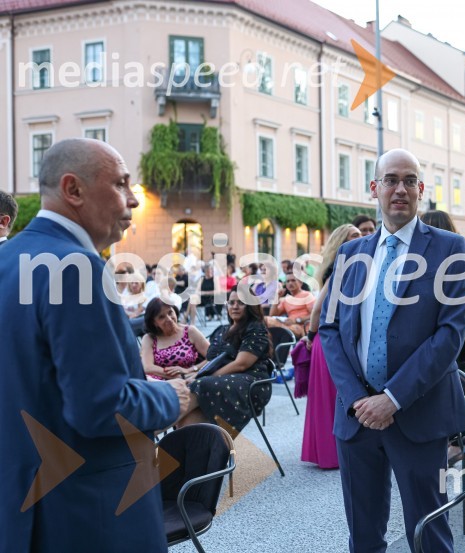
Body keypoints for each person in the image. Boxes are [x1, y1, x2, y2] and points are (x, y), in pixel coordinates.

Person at [0, 138, 190, 552]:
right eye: (121, 184)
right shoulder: (77, 267)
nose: (133, 200)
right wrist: (170, 397)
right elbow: (100, 406)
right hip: (91, 515)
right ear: (73, 190)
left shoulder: (8, 258)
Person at [320, 149, 465, 552]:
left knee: (428, 534)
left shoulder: (450, 249)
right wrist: (358, 400)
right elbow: (330, 330)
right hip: (356, 421)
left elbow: (449, 336)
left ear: (421, 190)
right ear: (375, 188)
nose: (399, 189)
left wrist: (391, 398)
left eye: (409, 181)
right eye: (390, 180)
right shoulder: (351, 255)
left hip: (419, 415)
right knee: (364, 536)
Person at [301, 223, 361, 469]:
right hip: (326, 341)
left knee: (331, 397)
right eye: (354, 236)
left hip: (328, 340)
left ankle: (331, 452)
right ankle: (332, 454)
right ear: (341, 243)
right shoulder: (338, 269)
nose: (361, 239)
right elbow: (317, 309)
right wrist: (312, 334)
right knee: (331, 398)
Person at [180, 289, 273, 433]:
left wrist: (204, 376)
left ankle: (151, 430)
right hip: (223, 379)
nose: (235, 306)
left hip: (251, 382)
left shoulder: (255, 328)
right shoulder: (222, 329)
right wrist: (193, 372)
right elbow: (212, 360)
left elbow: (241, 364)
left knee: (200, 384)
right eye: (231, 302)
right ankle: (194, 452)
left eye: (241, 303)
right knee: (186, 421)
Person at [141, 298, 210, 381]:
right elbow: (147, 367)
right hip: (158, 383)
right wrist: (176, 376)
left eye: (170, 312)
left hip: (189, 379)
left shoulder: (190, 331)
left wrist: (189, 370)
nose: (169, 319)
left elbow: (212, 357)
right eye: (161, 317)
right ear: (154, 322)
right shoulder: (149, 338)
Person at [268, 273, 314, 337]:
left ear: (300, 282)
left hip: (302, 327)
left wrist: (297, 320)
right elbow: (272, 315)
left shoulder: (307, 295)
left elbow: (314, 314)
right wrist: (277, 297)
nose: (290, 283)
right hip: (288, 326)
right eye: (288, 281)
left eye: (293, 280)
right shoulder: (286, 299)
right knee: (266, 320)